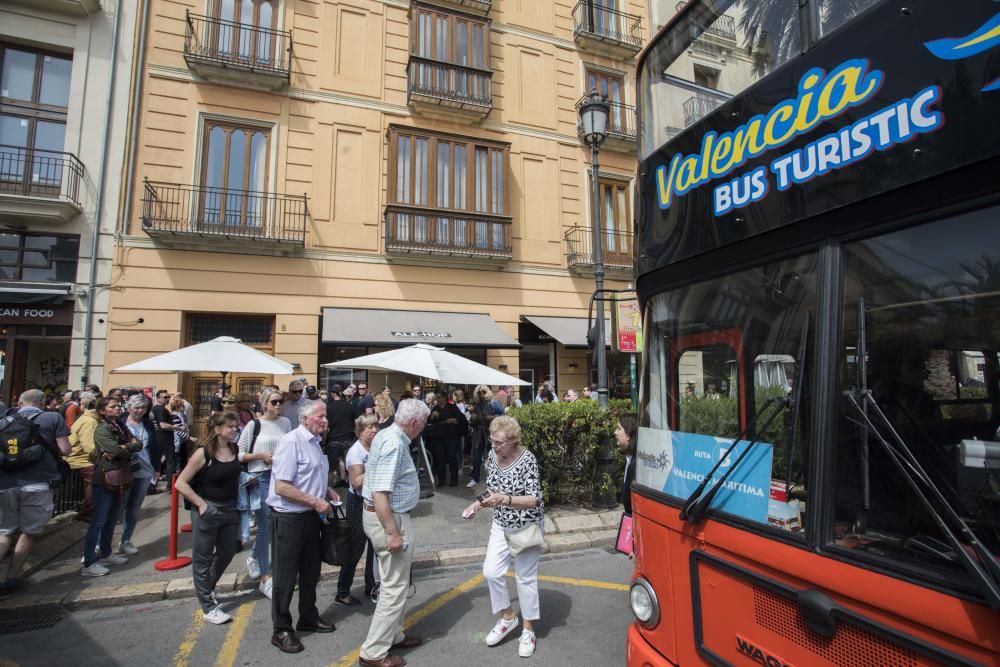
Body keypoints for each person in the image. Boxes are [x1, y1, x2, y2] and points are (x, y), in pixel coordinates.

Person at [462, 415, 544, 659]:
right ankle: (508, 617)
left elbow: (534, 498)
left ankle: (528, 630)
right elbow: (491, 488)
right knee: (491, 572)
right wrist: (477, 504)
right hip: (501, 523)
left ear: (512, 441)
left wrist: (505, 499)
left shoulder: (527, 459)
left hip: (526, 526)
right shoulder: (492, 456)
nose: (494, 446)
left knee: (525, 579)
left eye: (498, 442)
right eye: (492, 440)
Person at [359, 399, 428, 667]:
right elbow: (380, 493)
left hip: (389, 516)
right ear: (413, 423)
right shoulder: (394, 444)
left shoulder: (386, 433)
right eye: (422, 424)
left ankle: (394, 635)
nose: (422, 429)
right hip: (389, 518)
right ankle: (374, 652)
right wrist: (392, 533)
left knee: (396, 582)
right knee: (394, 587)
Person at [268, 401, 340, 653]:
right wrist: (315, 500)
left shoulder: (315, 441)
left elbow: (310, 476)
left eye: (325, 415)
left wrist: (326, 490)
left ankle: (308, 616)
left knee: (311, 571)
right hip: (290, 517)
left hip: (310, 516)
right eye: (321, 416)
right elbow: (282, 487)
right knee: (286, 576)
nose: (325, 420)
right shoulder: (291, 442)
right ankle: (281, 629)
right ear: (305, 418)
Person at [0, 390, 71, 594]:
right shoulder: (52, 417)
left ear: (20, 402)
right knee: (28, 532)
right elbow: (66, 450)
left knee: (4, 533)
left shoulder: (5, 419)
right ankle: (12, 577)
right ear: (42, 402)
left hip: (6, 483)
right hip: (37, 483)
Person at [175, 412, 241, 625]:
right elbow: (181, 483)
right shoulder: (203, 453)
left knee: (227, 552)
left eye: (235, 426)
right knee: (202, 558)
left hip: (231, 509)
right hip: (208, 510)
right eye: (230, 426)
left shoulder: (235, 449)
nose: (235, 429)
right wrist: (202, 505)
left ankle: (208, 589)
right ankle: (208, 606)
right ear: (217, 429)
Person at [237, 388, 291, 599]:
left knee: (275, 522)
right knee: (265, 524)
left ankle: (254, 557)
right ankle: (266, 577)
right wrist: (259, 455)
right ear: (264, 404)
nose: (279, 405)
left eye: (281, 402)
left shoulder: (285, 423)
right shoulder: (254, 425)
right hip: (260, 476)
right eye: (275, 402)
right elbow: (240, 454)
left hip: (280, 476)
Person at [82, 397, 140, 577]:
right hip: (106, 476)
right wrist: (126, 446)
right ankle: (89, 561)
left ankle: (107, 552)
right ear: (102, 411)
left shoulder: (120, 425)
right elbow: (114, 450)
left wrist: (126, 446)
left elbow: (137, 443)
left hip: (121, 473)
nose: (117, 408)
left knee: (112, 517)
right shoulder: (102, 429)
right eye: (112, 406)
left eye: (117, 406)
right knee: (99, 520)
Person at [335, 414, 380, 606]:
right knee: (355, 549)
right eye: (370, 427)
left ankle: (371, 585)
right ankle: (342, 591)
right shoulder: (355, 452)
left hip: (374, 501)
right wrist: (377, 465)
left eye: (375, 426)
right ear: (360, 431)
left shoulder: (375, 447)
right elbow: (356, 481)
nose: (374, 430)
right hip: (358, 502)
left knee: (374, 546)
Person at [117, 394, 159, 556]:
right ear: (129, 408)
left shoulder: (147, 424)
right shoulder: (120, 423)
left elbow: (154, 446)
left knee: (134, 509)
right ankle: (103, 543)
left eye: (143, 408)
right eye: (136, 408)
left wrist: (156, 467)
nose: (140, 411)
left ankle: (125, 541)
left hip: (144, 469)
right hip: (124, 469)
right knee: (118, 508)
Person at [66, 392, 98, 520]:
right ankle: (87, 512)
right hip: (80, 458)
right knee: (95, 478)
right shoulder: (90, 421)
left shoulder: (90, 419)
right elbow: (89, 447)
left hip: (81, 457)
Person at [427, 390, 468, 487]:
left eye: (439, 397)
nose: (437, 399)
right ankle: (441, 480)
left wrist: (454, 420)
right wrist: (432, 416)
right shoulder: (435, 408)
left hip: (451, 436)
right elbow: (429, 420)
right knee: (440, 459)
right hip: (438, 437)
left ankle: (453, 480)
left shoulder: (452, 407)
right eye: (437, 397)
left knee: (452, 457)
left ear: (445, 397)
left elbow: (461, 418)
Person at [467, 385, 501, 489]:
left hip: (490, 435)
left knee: (493, 458)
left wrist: (492, 417)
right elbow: (472, 424)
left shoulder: (493, 403)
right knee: (476, 458)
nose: (481, 394)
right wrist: (472, 419)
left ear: (488, 392)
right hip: (478, 436)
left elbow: (503, 414)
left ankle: (494, 481)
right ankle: (475, 478)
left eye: (483, 391)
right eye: (479, 392)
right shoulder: (476, 405)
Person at [325, 385, 356, 488]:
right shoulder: (349, 405)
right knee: (350, 466)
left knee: (331, 468)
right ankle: (352, 488)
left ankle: (328, 491)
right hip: (348, 439)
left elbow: (326, 426)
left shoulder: (328, 406)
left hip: (333, 440)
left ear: (333, 393)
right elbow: (354, 422)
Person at [151, 390, 175, 486]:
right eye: (164, 397)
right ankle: (171, 485)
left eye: (168, 397)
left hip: (158, 438)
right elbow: (163, 425)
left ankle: (152, 485)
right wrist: (178, 427)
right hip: (165, 439)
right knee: (171, 462)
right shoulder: (161, 409)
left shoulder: (156, 409)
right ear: (158, 398)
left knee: (156, 463)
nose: (167, 399)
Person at [615, 414, 637, 516]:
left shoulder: (636, 465)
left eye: (619, 429)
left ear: (628, 435)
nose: (615, 432)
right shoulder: (629, 458)